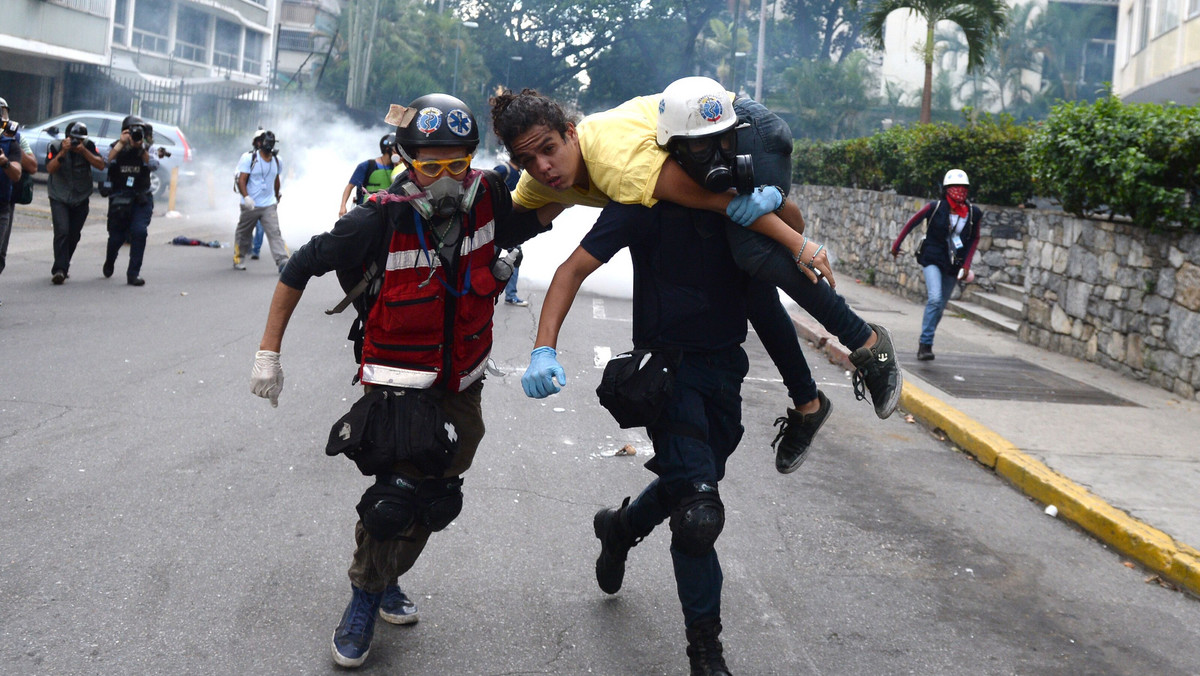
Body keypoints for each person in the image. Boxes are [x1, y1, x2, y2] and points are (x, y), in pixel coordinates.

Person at [248, 93, 546, 669]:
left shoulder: (487, 198)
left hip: (463, 381)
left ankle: (387, 577)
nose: (444, 177)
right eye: (429, 164)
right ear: (406, 159)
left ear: (471, 159)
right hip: (396, 384)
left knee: (436, 498)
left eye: (456, 162)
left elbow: (547, 205)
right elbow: (299, 265)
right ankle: (364, 598)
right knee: (393, 501)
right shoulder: (377, 215)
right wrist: (268, 354)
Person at [491, 78, 901, 472]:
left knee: (753, 249)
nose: (543, 167)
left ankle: (868, 343)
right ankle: (808, 405)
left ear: (570, 133)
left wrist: (799, 244)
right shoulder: (544, 179)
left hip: (738, 126)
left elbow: (722, 203)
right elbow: (513, 222)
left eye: (548, 150)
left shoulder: (622, 167)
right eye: (527, 160)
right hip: (696, 137)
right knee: (753, 289)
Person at [522, 197, 750, 675]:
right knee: (698, 512)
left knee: (690, 481)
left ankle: (620, 527)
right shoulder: (644, 202)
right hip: (669, 374)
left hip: (726, 372)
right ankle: (706, 654)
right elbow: (572, 268)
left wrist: (804, 390)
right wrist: (544, 348)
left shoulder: (736, 201)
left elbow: (768, 292)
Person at [891, 169, 982, 361]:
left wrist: (966, 265)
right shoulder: (934, 207)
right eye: (955, 188)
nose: (959, 191)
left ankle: (927, 341)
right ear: (947, 189)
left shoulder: (973, 213)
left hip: (954, 264)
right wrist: (896, 246)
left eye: (963, 188)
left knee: (940, 306)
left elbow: (974, 239)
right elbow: (911, 224)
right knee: (934, 298)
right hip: (932, 258)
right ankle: (925, 344)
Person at [46, 121, 105, 284]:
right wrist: (63, 152)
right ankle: (59, 269)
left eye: (79, 140)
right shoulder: (55, 146)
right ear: (67, 138)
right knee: (62, 231)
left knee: (74, 234)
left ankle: (63, 265)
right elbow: (50, 169)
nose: (76, 143)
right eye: (73, 139)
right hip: (59, 195)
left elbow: (100, 164)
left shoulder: (88, 146)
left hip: (81, 196)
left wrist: (84, 151)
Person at [103, 115, 158, 286]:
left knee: (139, 232)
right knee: (116, 238)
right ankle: (110, 261)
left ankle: (133, 274)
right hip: (120, 198)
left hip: (141, 198)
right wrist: (121, 144)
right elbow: (104, 162)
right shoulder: (115, 146)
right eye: (132, 130)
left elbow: (154, 165)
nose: (135, 134)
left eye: (138, 130)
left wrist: (141, 149)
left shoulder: (146, 148)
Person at [233, 129, 289, 273]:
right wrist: (246, 197)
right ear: (260, 143)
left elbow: (276, 179)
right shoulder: (249, 158)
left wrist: (277, 196)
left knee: (274, 232)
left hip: (268, 204)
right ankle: (239, 257)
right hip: (250, 205)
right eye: (267, 142)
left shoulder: (277, 160)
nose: (269, 146)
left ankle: (282, 261)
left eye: (271, 143)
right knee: (244, 234)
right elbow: (242, 179)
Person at [0, 96, 36, 304]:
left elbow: (30, 166)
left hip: (6, 199)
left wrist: (8, 146)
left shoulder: (15, 138)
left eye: (3, 112)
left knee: (1, 252)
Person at [338, 133, 398, 217]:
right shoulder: (367, 165)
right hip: (367, 209)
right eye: (396, 148)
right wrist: (343, 206)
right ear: (387, 149)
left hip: (388, 209)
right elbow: (350, 186)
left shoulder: (398, 167)